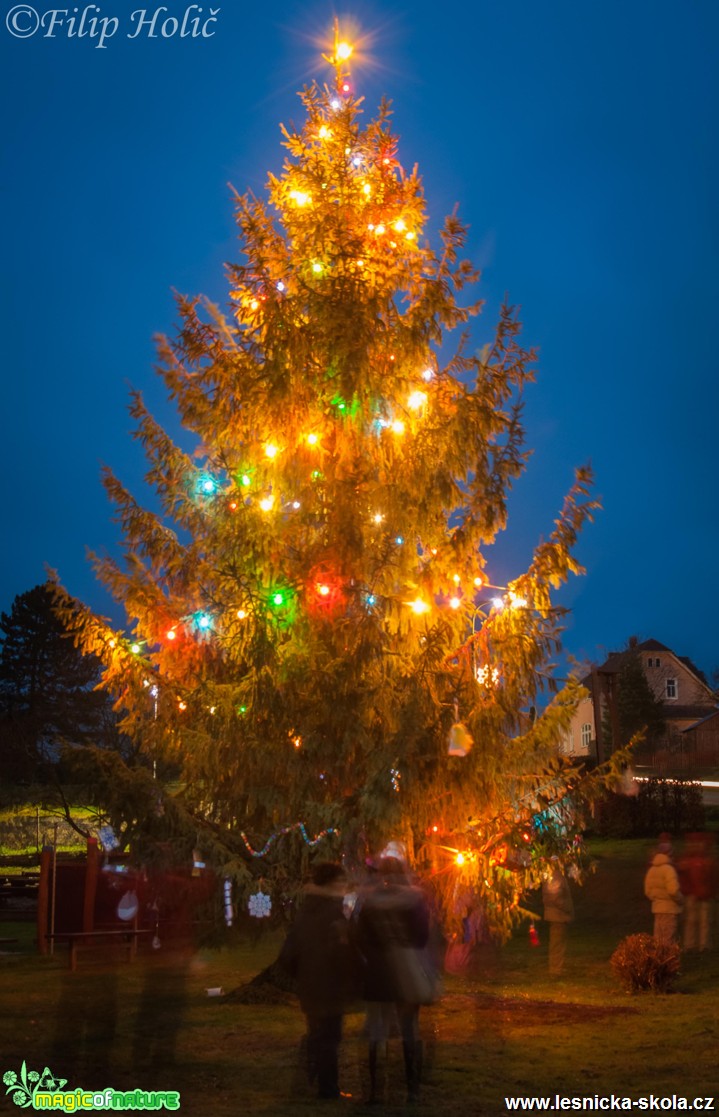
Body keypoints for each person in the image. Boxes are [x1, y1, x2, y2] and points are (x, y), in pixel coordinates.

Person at [353, 854, 433, 1105]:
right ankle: (412, 1089)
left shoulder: (370, 902)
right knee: (410, 1029)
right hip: (406, 969)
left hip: (379, 971)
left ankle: (375, 1091)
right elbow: (422, 937)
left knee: (377, 1029)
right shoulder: (415, 900)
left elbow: (360, 937)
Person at [278, 861, 360, 1100]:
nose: (344, 886)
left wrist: (302, 976)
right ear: (331, 884)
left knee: (316, 1034)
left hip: (310, 986)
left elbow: (288, 953)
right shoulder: (333, 914)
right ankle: (327, 1089)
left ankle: (310, 1080)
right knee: (330, 1038)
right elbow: (342, 954)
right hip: (329, 987)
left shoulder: (306, 911)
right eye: (340, 881)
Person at [677, 832, 717, 952]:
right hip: (692, 895)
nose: (697, 846)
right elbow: (682, 878)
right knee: (690, 921)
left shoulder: (709, 861)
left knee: (704, 921)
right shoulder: (686, 860)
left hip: (705, 896)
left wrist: (711, 892)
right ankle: (690, 944)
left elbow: (714, 879)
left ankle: (703, 944)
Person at [644, 834, 683, 945]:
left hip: (657, 908)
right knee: (668, 938)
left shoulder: (652, 870)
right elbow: (673, 890)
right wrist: (681, 900)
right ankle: (668, 960)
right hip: (670, 909)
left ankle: (658, 960)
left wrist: (657, 899)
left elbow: (648, 891)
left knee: (658, 938)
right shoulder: (669, 870)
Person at [541, 864, 574, 977]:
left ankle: (557, 967)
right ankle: (555, 969)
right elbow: (555, 897)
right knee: (557, 943)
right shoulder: (555, 876)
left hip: (557, 915)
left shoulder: (553, 875)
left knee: (558, 943)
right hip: (558, 915)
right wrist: (567, 908)